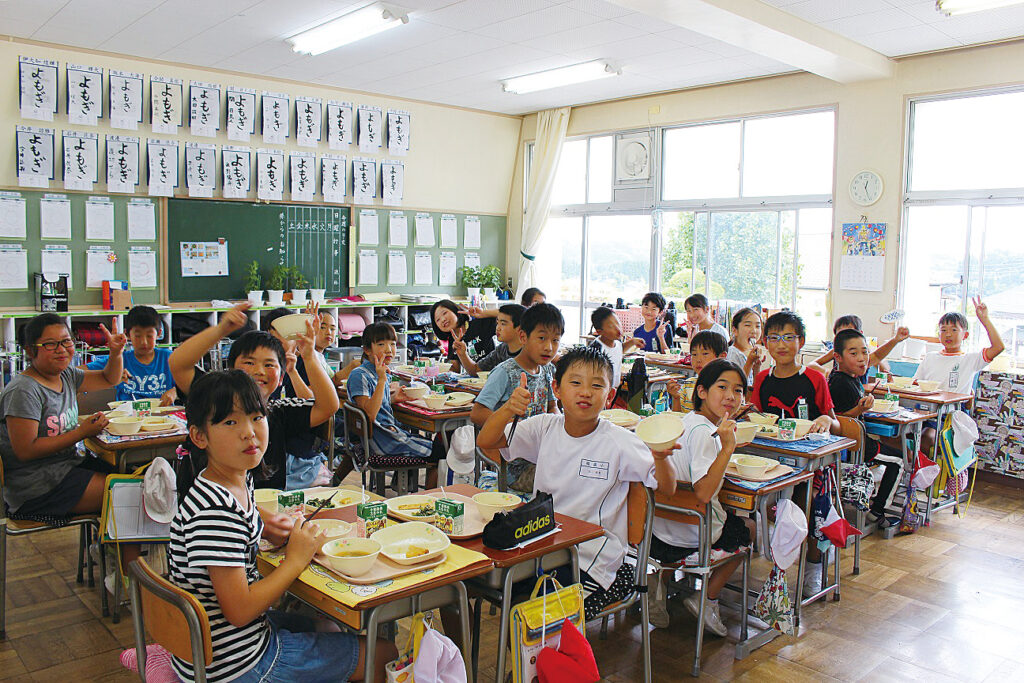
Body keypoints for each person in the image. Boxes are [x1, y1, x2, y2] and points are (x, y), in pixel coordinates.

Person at [169, 369, 394, 682]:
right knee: (385, 654)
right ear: (199, 436)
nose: (249, 432)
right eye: (230, 422)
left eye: (256, 418)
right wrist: (296, 560)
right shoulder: (214, 513)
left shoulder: (228, 479)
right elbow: (240, 610)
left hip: (224, 646)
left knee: (328, 625)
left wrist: (266, 527)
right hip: (237, 665)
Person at [477, 345, 677, 621]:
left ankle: (549, 661)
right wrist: (508, 409)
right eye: (575, 383)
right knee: (495, 591)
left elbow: (667, 488)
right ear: (557, 389)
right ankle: (534, 662)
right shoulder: (544, 427)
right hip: (543, 545)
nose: (585, 392)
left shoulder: (621, 442)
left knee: (538, 615)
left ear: (609, 395)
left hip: (596, 557)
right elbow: (486, 442)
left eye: (597, 385)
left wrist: (661, 458)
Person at [169, 303, 339, 503]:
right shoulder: (214, 396)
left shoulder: (279, 410)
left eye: (269, 364)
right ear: (230, 368)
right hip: (216, 505)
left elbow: (329, 406)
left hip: (267, 506)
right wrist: (221, 329)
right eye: (249, 363)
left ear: (281, 376)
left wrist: (309, 356)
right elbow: (178, 363)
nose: (259, 371)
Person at [648, 359, 755, 632]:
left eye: (739, 390)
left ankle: (660, 579)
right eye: (723, 387)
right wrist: (727, 448)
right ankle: (707, 599)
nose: (731, 396)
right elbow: (704, 493)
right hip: (695, 533)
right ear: (702, 392)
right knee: (750, 529)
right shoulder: (708, 433)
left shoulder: (685, 422)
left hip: (660, 530)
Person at [0, 314, 126, 519]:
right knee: (127, 493)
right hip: (36, 486)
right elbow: (25, 450)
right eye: (50, 344)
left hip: (67, 466)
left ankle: (108, 548)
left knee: (132, 475)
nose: (61, 349)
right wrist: (81, 433)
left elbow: (108, 378)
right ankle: (111, 549)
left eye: (66, 341)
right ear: (31, 351)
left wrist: (115, 353)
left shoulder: (65, 374)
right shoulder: (24, 390)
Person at [752, 311, 838, 595]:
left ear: (801, 342)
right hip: (770, 459)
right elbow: (755, 416)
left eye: (789, 337)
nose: (781, 344)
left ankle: (813, 566)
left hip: (810, 463)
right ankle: (770, 556)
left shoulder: (814, 378)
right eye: (775, 338)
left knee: (807, 500)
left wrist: (827, 421)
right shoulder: (763, 378)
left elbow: (833, 420)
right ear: (766, 342)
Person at [471, 303, 562, 492]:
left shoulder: (546, 370)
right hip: (514, 465)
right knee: (563, 478)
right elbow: (477, 412)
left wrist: (557, 422)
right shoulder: (505, 372)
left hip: (542, 454)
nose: (549, 347)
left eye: (555, 340)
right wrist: (508, 422)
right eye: (542, 338)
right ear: (523, 337)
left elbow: (552, 405)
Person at [346, 323, 440, 488]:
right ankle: (428, 497)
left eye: (393, 344)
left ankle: (402, 487)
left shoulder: (379, 372)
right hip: (381, 442)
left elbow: (376, 402)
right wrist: (382, 380)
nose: (389, 349)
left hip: (387, 436)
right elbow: (369, 414)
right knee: (440, 452)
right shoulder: (360, 375)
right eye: (381, 344)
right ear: (367, 350)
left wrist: (393, 398)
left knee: (432, 441)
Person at [828, 329, 904, 527]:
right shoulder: (840, 383)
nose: (862, 359)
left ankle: (876, 501)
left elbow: (877, 356)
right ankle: (878, 511)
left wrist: (895, 339)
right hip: (854, 446)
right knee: (900, 460)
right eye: (854, 354)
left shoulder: (851, 375)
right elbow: (839, 420)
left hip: (856, 443)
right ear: (838, 357)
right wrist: (859, 409)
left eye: (865, 352)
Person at [913, 296, 1004, 455]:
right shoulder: (931, 357)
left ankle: (922, 474)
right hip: (926, 411)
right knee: (892, 432)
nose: (948, 334)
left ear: (965, 335)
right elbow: (915, 384)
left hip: (951, 416)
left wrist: (985, 319)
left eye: (954, 330)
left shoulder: (971, 359)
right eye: (943, 330)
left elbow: (998, 347)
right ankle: (910, 468)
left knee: (927, 438)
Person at [85, 305, 177, 406]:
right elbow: (77, 373)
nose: (144, 342)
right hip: (128, 417)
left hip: (163, 418)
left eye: (149, 336)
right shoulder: (118, 360)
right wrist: (112, 373)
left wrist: (175, 392)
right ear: (127, 334)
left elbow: (192, 382)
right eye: (137, 336)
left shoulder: (170, 358)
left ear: (159, 333)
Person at [811, 314, 910, 378]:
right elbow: (812, 365)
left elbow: (877, 357)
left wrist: (895, 340)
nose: (846, 338)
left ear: (860, 334)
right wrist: (828, 373)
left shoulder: (864, 352)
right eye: (841, 334)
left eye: (850, 333)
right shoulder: (836, 351)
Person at [455, 303, 525, 376]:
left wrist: (483, 313)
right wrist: (463, 354)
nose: (498, 328)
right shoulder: (502, 349)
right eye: (497, 323)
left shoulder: (530, 351)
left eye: (503, 324)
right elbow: (476, 371)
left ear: (519, 328)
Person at [430, 299, 498, 372]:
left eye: (444, 313)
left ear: (455, 311)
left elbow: (508, 314)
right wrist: (434, 367)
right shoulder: (453, 340)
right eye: (438, 320)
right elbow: (455, 369)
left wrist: (483, 313)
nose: (443, 319)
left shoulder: (480, 324)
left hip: (494, 374)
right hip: (474, 380)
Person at [667, 330, 728, 413]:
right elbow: (678, 417)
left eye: (705, 354)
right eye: (694, 354)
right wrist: (676, 397)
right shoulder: (688, 384)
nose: (698, 360)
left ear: (721, 357)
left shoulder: (725, 387)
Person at [590, 306, 644, 390]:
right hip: (600, 392)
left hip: (614, 390)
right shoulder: (596, 349)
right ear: (599, 331)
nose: (618, 329)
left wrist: (632, 342)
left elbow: (619, 350)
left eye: (618, 323)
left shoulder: (617, 344)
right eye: (611, 326)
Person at [725, 307, 767, 386]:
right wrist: (749, 362)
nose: (754, 330)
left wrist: (757, 366)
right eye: (748, 325)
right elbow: (736, 385)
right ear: (735, 330)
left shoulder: (749, 354)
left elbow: (753, 386)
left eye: (758, 326)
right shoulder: (732, 354)